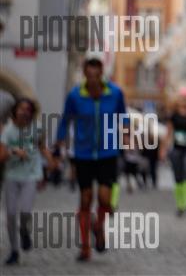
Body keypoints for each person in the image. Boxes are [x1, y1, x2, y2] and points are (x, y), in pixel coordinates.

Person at [55, 57, 128, 261]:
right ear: (85, 74)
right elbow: (65, 120)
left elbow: (123, 115)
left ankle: (98, 226)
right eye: (90, 75)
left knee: (105, 198)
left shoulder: (115, 93)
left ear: (102, 73)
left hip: (108, 152)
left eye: (97, 75)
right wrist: (59, 142)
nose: (93, 79)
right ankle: (85, 247)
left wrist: (126, 133)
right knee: (86, 199)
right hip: (83, 153)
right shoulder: (75, 95)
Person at [0, 98, 57, 265]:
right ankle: (14, 250)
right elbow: (1, 156)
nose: (24, 112)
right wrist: (14, 151)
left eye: (28, 110)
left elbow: (42, 147)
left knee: (25, 211)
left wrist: (51, 161)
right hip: (11, 175)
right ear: (15, 111)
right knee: (11, 214)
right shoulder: (7, 131)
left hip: (31, 175)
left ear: (32, 113)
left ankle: (24, 230)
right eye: (21, 109)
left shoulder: (37, 128)